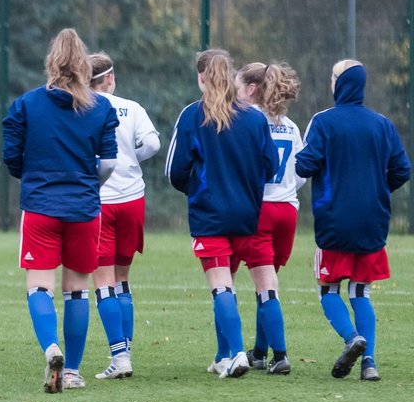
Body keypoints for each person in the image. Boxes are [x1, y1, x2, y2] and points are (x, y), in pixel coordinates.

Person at [2, 29, 118, 394]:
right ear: (84, 64)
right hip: (83, 207)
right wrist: (87, 183)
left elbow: (11, 158)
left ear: (51, 62)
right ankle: (72, 371)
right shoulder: (100, 107)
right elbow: (109, 162)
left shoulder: (26, 104)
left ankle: (52, 348)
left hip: (40, 206)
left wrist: (33, 176)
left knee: (39, 286)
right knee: (77, 290)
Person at [295, 59, 410, 382]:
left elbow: (304, 166)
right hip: (373, 221)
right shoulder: (382, 124)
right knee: (361, 292)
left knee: (328, 290)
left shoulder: (323, 122)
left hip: (335, 221)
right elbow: (402, 170)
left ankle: (351, 338)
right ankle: (369, 362)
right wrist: (376, 190)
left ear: (339, 83)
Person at [165, 48, 277, 379]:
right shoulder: (255, 118)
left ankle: (237, 353)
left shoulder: (192, 115)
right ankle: (221, 355)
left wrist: (197, 190)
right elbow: (269, 165)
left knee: (220, 287)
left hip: (210, 215)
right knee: (227, 284)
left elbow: (175, 170)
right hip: (246, 215)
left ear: (201, 77)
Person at [87, 52, 159, 382]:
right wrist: (132, 160)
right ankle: (124, 353)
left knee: (102, 281)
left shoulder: (84, 109)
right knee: (123, 279)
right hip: (133, 199)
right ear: (111, 79)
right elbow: (153, 144)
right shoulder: (133, 108)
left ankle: (120, 357)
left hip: (101, 201)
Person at [234, 61, 304, 376]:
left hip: (260, 208)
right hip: (287, 209)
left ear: (254, 89)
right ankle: (260, 352)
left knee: (266, 286)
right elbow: (300, 172)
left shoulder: (250, 121)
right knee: (269, 282)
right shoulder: (290, 126)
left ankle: (281, 355)